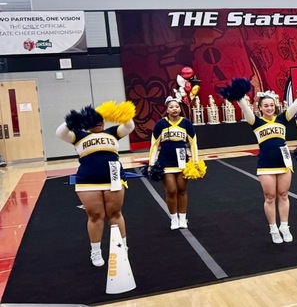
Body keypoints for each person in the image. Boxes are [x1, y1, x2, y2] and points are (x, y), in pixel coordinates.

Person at [57, 105, 135, 267]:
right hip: (88, 180)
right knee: (95, 215)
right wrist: (76, 118)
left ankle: (122, 248)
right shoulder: (79, 135)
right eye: (94, 120)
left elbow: (129, 126)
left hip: (113, 178)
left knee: (115, 213)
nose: (98, 123)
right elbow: (60, 133)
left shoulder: (113, 132)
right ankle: (96, 251)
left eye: (100, 119)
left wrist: (118, 113)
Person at [236, 89, 297, 243]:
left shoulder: (282, 119)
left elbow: (296, 104)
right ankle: (273, 229)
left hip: (283, 162)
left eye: (272, 105)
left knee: (284, 194)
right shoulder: (256, 122)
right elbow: (245, 109)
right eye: (266, 106)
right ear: (260, 107)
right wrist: (238, 97)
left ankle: (285, 227)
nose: (269, 108)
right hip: (266, 164)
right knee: (270, 197)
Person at [148, 96, 198, 230]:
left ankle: (183, 218)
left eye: (176, 106)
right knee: (171, 190)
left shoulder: (186, 123)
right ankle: (174, 218)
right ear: (167, 110)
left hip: (182, 161)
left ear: (180, 109)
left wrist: (195, 161)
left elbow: (193, 143)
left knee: (181, 189)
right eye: (171, 107)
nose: (174, 109)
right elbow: (154, 144)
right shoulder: (160, 124)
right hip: (165, 161)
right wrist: (151, 163)